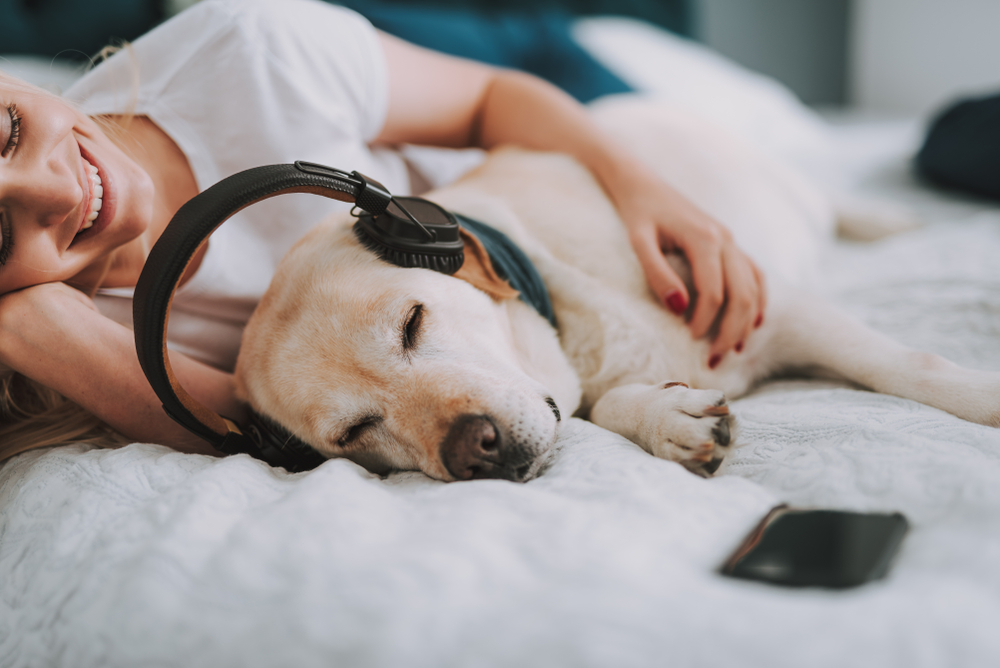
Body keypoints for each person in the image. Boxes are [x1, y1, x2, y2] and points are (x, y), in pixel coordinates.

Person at [0, 0, 765, 460]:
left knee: (685, 110)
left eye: (5, 131)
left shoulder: (251, 49)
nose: (55, 188)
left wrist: (640, 188)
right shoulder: (50, 330)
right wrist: (54, 337)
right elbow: (272, 426)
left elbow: (494, 99)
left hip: (514, 174)